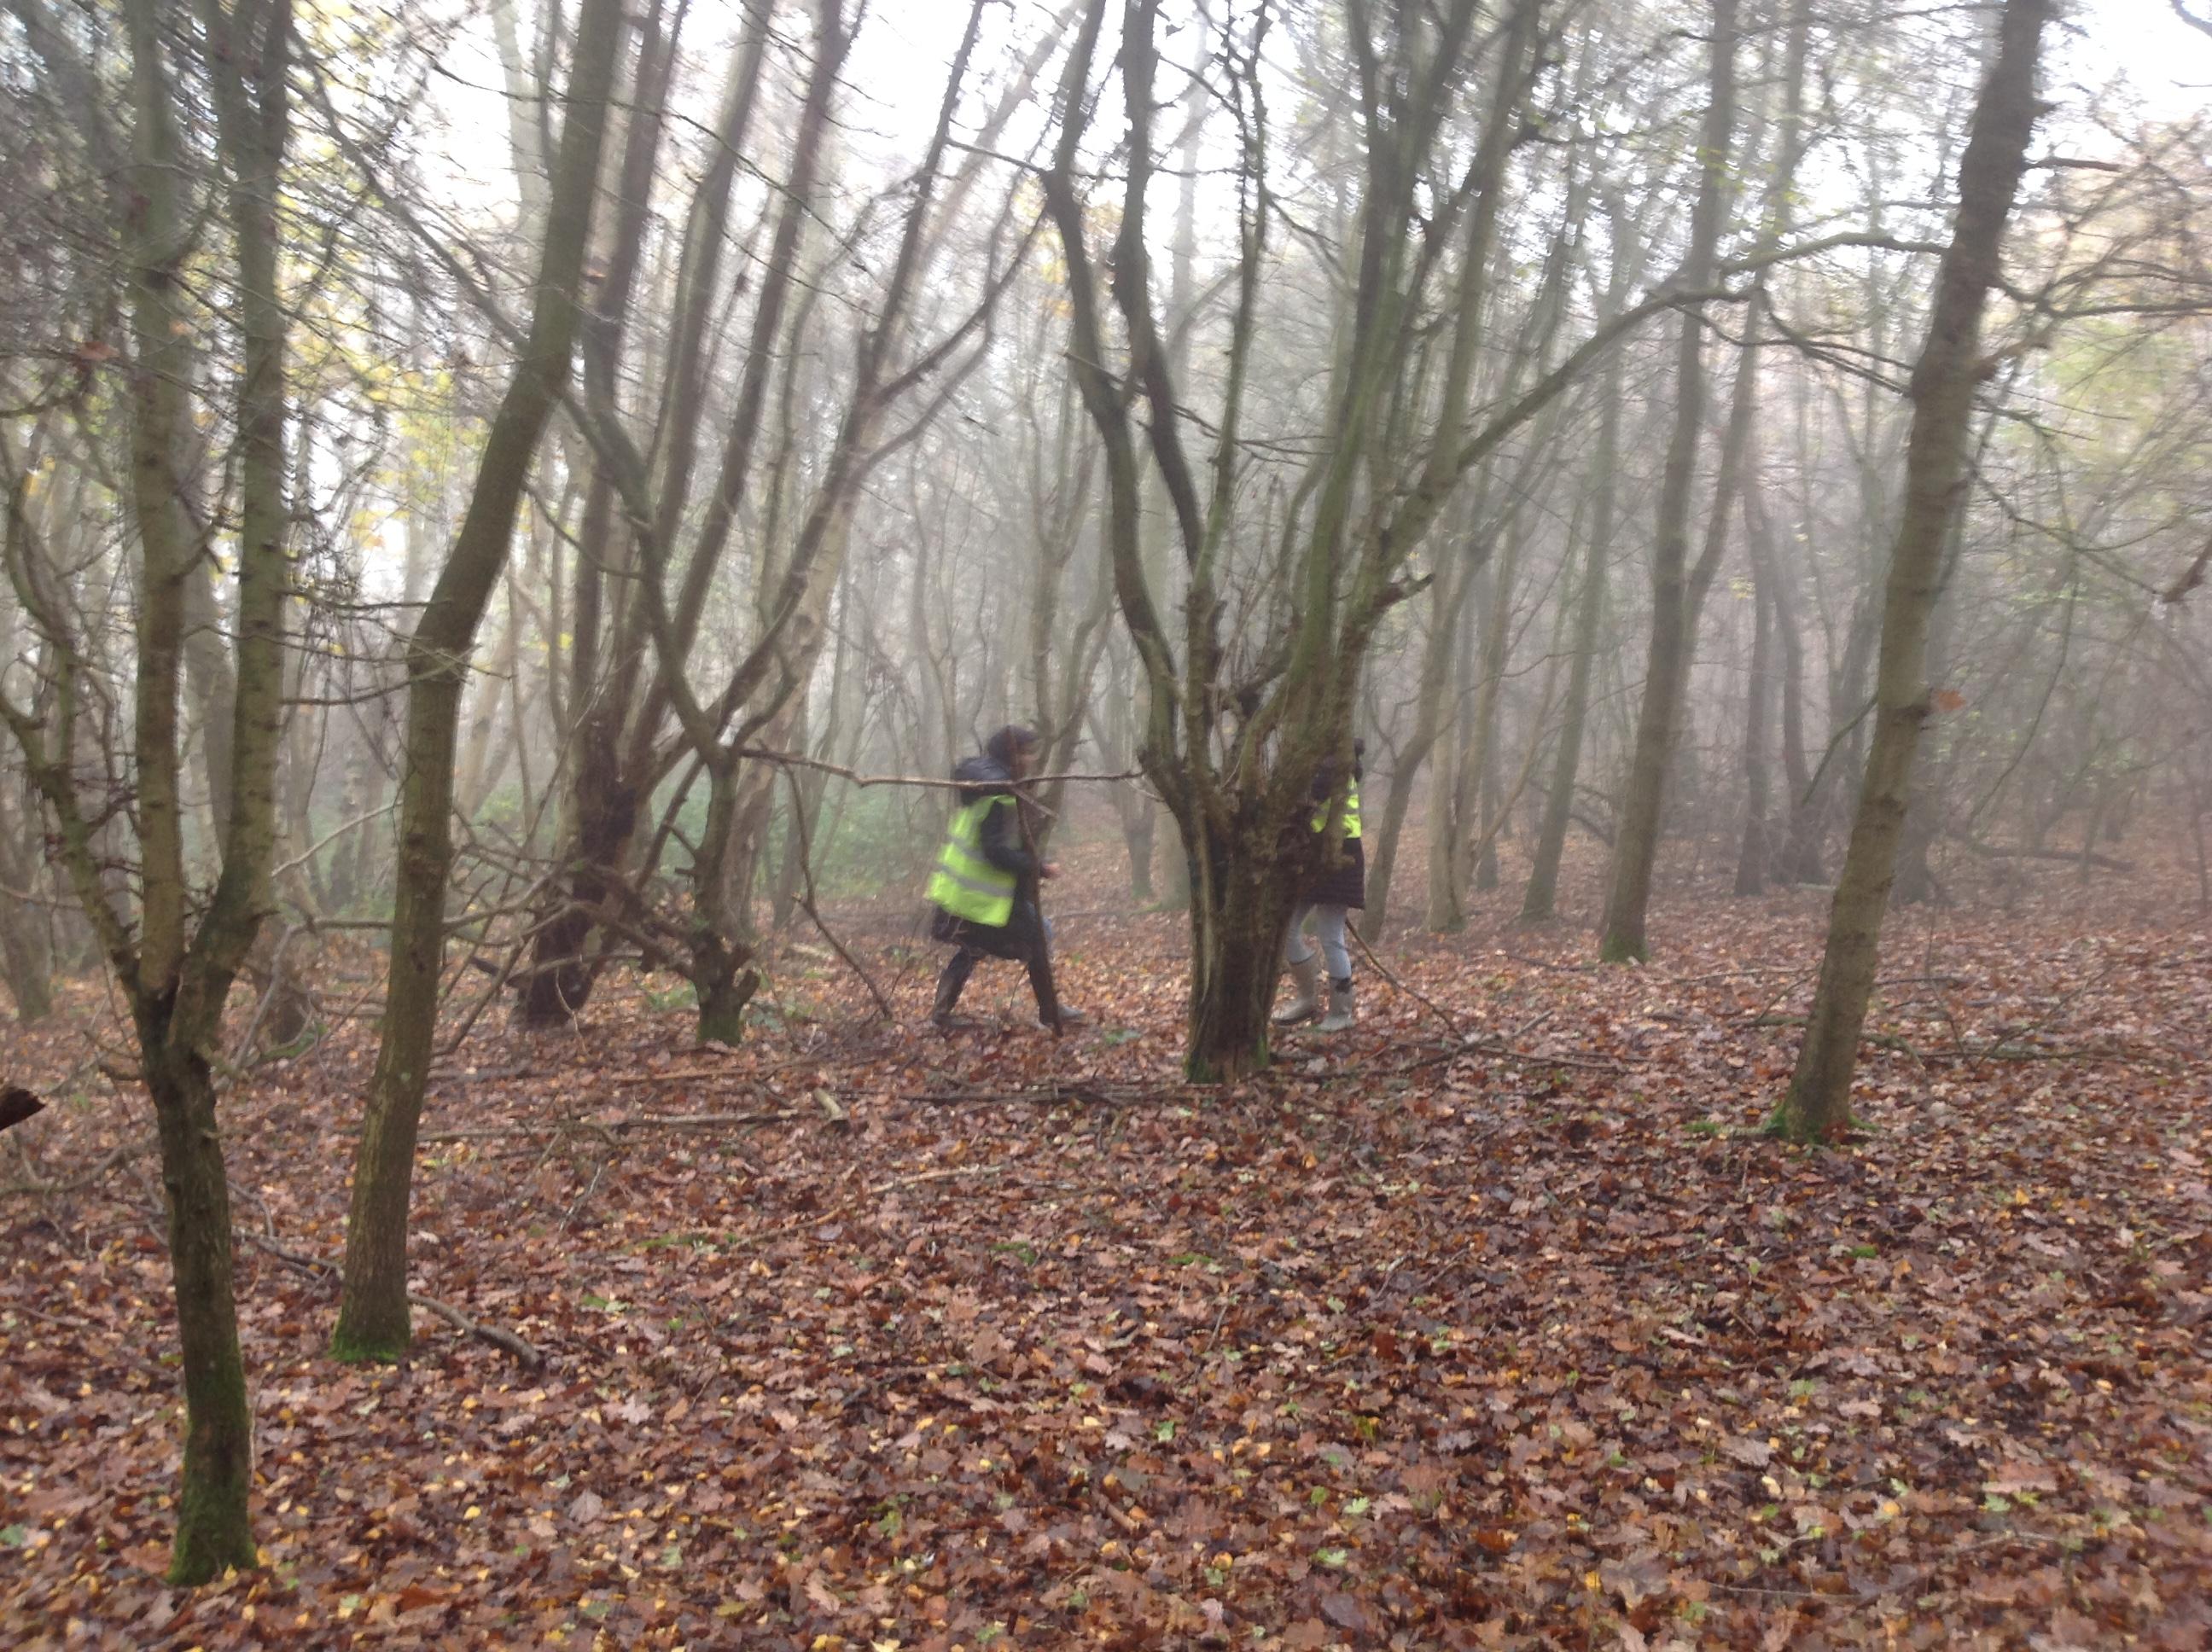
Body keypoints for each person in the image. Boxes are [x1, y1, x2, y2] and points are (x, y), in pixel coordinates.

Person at [926, 725, 1083, 1029]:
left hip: (963, 895)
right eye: (1027, 753)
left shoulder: (983, 788)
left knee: (974, 949)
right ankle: (1050, 1012)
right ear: (1013, 756)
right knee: (1036, 937)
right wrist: (1039, 867)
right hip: (979, 898)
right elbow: (995, 851)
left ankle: (942, 1014)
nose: (1032, 760)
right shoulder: (999, 796)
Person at [1273, 740, 1364, 1034]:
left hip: (1341, 854)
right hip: (1312, 856)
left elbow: (1302, 802)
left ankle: (1342, 1011)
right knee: (1287, 928)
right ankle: (1307, 999)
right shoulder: (1323, 764)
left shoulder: (1331, 767)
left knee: (1330, 935)